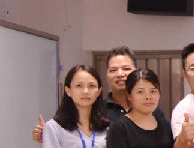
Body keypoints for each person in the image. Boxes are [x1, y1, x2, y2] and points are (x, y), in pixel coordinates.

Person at [32, 46, 162, 142]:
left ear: (136, 71)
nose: (120, 74)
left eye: (126, 69)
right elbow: (77, 139)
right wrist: (49, 135)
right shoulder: (97, 111)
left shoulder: (152, 109)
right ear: (106, 74)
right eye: (113, 70)